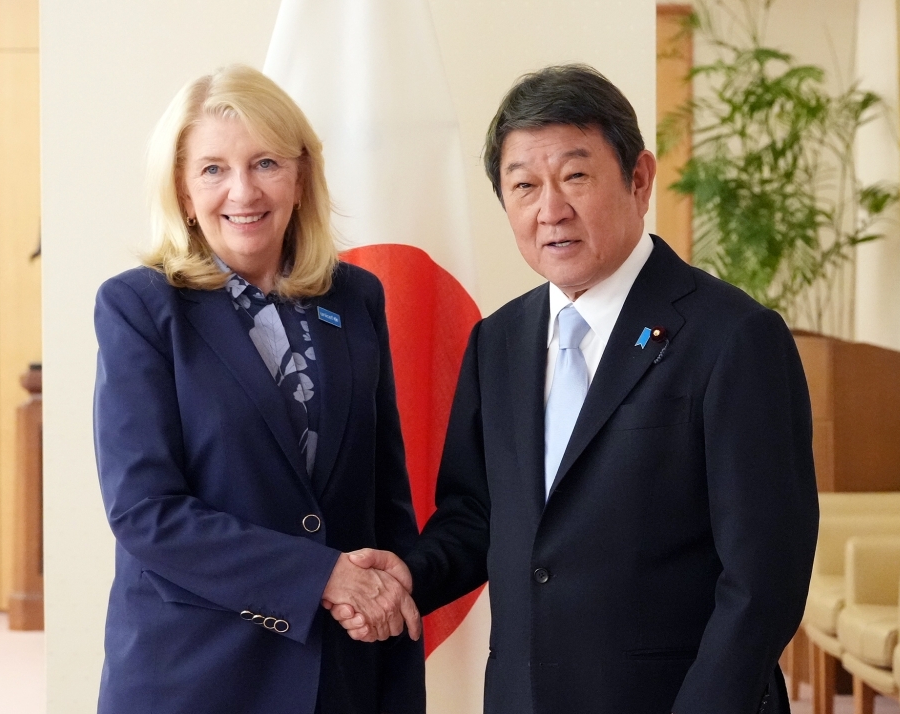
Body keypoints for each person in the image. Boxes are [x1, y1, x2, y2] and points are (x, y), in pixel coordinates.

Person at [336, 64, 819, 713]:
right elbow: (477, 518)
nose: (550, 209)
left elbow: (763, 580)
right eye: (525, 185)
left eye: (576, 176)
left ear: (639, 179)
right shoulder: (498, 341)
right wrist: (412, 576)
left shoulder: (733, 338)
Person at [92, 64, 424, 714]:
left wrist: (390, 612)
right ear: (184, 192)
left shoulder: (357, 299)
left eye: (265, 162)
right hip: (196, 674)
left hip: (342, 672)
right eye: (212, 169)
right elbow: (145, 512)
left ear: (300, 177)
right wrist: (322, 576)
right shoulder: (140, 307)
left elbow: (385, 498)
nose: (242, 190)